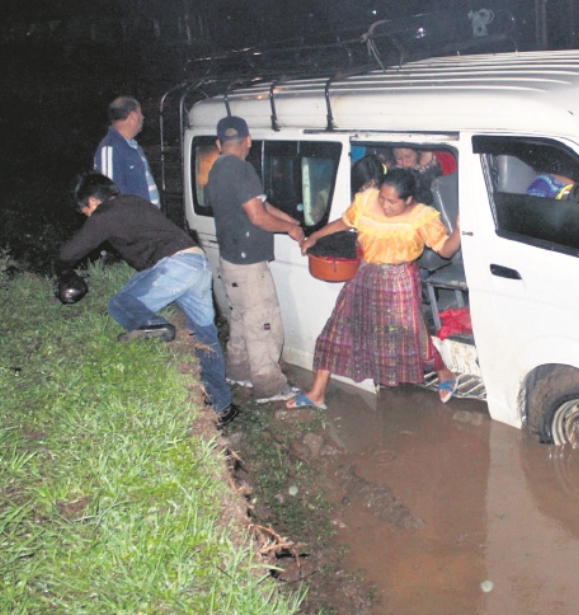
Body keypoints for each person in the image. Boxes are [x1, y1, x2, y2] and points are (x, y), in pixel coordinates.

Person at [55, 173, 236, 425]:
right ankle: (223, 406)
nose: (88, 217)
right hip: (197, 263)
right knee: (205, 336)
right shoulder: (133, 202)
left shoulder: (105, 212)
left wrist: (61, 269)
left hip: (176, 265)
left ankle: (153, 326)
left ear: (93, 202)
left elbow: (71, 251)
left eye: (85, 211)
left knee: (120, 303)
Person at [286, 167, 462, 409]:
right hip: (364, 273)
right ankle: (317, 392)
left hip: (399, 279)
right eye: (382, 198)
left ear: (408, 200)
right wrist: (315, 236)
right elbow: (343, 222)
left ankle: (444, 373)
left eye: (392, 202)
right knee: (336, 330)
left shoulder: (422, 217)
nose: (385, 206)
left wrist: (460, 229)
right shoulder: (366, 201)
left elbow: (445, 250)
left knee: (411, 337)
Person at [207, 115, 304, 404]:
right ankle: (269, 386)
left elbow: (261, 204)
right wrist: (288, 228)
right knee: (263, 322)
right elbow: (258, 216)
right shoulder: (242, 168)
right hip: (249, 262)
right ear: (248, 140)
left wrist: (293, 222)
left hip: (231, 257)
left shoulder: (217, 168)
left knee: (241, 316)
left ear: (218, 143)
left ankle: (237, 371)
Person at [94, 96, 161, 209]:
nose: (143, 117)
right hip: (132, 224)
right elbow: (109, 199)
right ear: (133, 116)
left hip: (147, 221)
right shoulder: (110, 149)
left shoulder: (133, 147)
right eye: (140, 113)